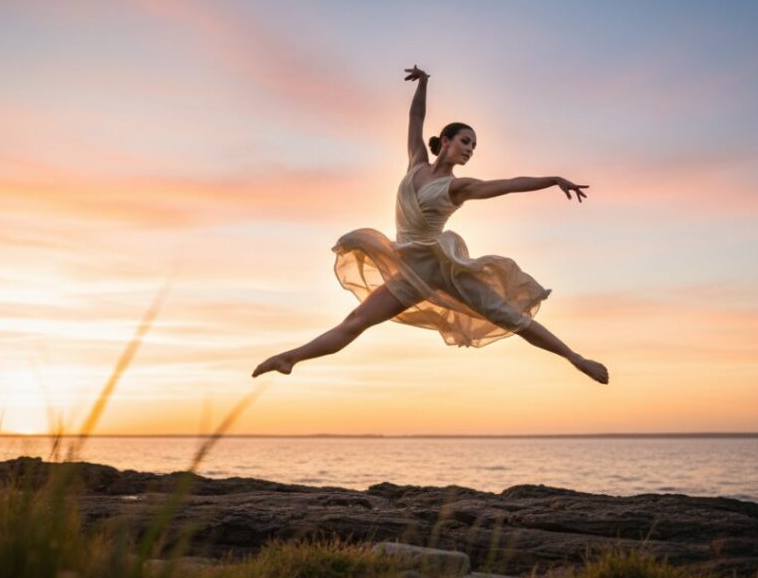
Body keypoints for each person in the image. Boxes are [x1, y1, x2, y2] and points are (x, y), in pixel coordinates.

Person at [253, 65, 608, 385]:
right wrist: (423, 82)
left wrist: (553, 179)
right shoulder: (416, 164)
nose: (470, 150)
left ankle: (575, 358)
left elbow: (510, 183)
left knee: (510, 317)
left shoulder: (459, 187)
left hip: (440, 268)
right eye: (465, 141)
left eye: (474, 146)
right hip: (407, 272)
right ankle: (290, 358)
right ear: (447, 142)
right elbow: (415, 119)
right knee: (355, 322)